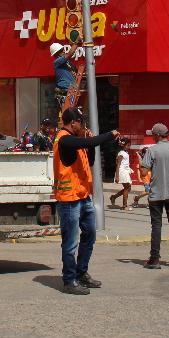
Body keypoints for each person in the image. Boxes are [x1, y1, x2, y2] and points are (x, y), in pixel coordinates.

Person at [53, 107, 120, 295]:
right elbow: (91, 141)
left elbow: (89, 159)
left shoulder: (77, 142)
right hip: (69, 200)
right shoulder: (64, 139)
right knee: (70, 242)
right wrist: (108, 135)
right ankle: (69, 280)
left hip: (83, 196)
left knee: (90, 234)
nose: (83, 127)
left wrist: (89, 145)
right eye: (81, 123)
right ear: (73, 122)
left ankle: (81, 273)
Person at [139, 123, 169, 269]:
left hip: (156, 195)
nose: (152, 137)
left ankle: (155, 259)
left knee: (156, 226)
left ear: (158, 135)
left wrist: (142, 160)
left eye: (153, 134)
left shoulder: (152, 151)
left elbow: (143, 173)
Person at [50, 41, 81, 109]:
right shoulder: (57, 62)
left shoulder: (67, 63)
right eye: (61, 50)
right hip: (65, 91)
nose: (64, 51)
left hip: (72, 90)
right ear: (57, 54)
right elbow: (70, 54)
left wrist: (73, 45)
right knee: (68, 113)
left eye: (63, 50)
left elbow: (76, 71)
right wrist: (76, 43)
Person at [109, 139, 133, 210]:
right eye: (127, 145)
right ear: (123, 145)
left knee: (128, 188)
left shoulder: (125, 152)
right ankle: (124, 205)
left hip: (125, 171)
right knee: (127, 188)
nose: (129, 147)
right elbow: (118, 165)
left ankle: (114, 197)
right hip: (122, 171)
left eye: (129, 145)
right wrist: (117, 176)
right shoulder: (121, 153)